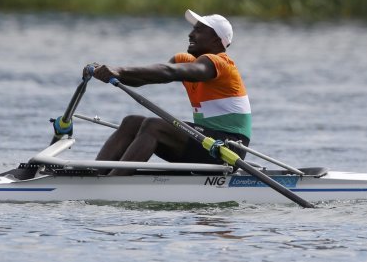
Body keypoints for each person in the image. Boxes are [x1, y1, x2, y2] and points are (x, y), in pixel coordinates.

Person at [86, 9, 252, 175]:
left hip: (228, 149)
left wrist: (119, 71)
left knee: (154, 126)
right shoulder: (185, 60)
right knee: (131, 122)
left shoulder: (220, 63)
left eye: (199, 30)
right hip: (205, 142)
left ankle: (115, 185)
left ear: (216, 40)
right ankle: (93, 175)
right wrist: (110, 73)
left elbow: (169, 72)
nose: (191, 34)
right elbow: (148, 78)